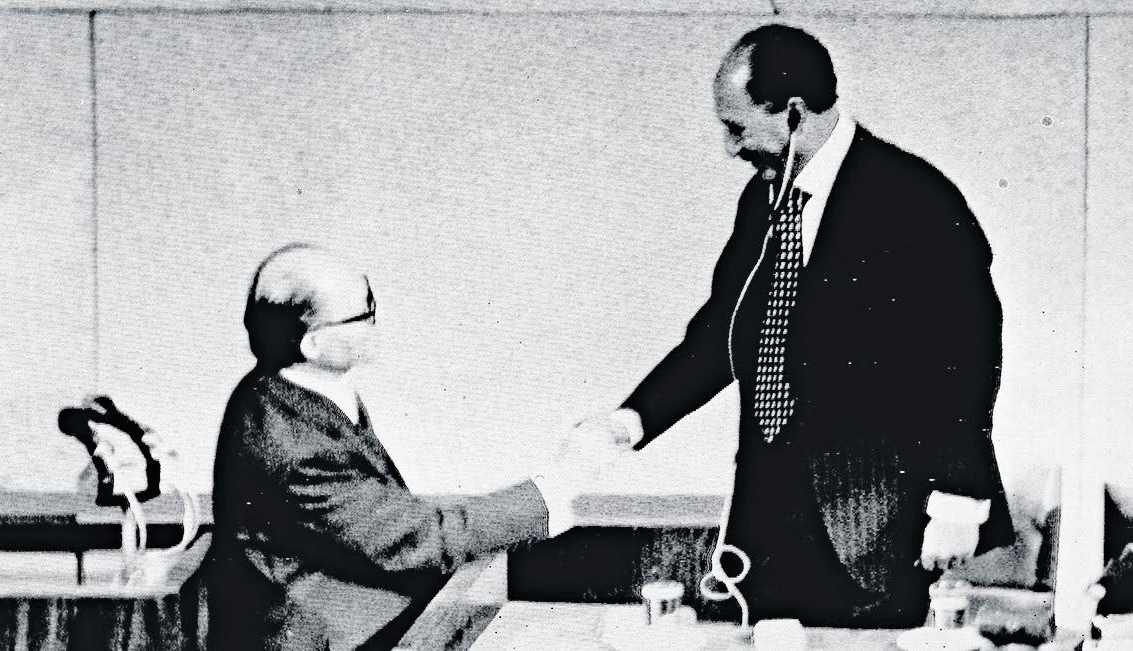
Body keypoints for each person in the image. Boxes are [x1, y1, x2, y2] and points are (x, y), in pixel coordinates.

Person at [576, 24, 1014, 627]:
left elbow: (968, 356)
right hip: (768, 522)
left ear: (793, 113)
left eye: (737, 128)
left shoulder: (916, 199)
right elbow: (723, 332)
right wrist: (632, 419)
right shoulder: (763, 201)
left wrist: (959, 497)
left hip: (875, 525)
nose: (728, 148)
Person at [206, 243, 614, 650]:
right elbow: (412, 539)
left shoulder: (299, 390)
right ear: (313, 345)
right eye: (364, 315)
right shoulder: (292, 444)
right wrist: (556, 485)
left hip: (344, 612)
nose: (376, 322)